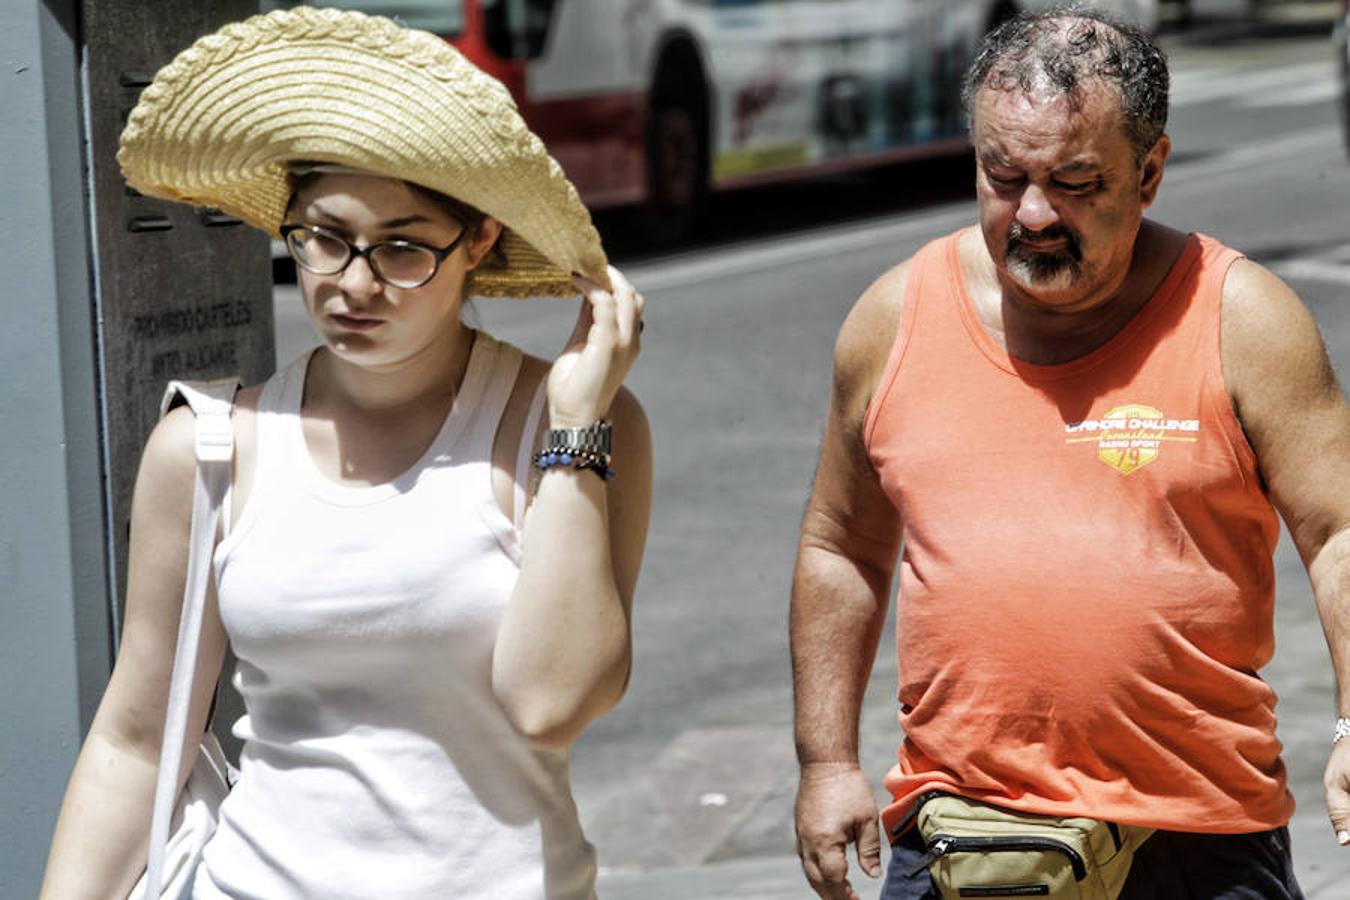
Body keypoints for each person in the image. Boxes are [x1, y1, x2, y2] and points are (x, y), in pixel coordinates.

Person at [40, 7, 651, 899]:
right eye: (325, 238)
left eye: (403, 248)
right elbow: (135, 738)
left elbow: (551, 703)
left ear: (478, 239)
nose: (354, 285)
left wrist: (576, 423)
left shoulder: (574, 427)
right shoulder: (209, 447)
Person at [790, 9, 1350, 900]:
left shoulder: (1244, 320)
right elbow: (841, 547)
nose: (1035, 213)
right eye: (1003, 176)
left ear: (1152, 171)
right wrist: (825, 762)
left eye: (1077, 181)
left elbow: (1338, 534)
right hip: (962, 836)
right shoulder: (892, 319)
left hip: (1196, 840)